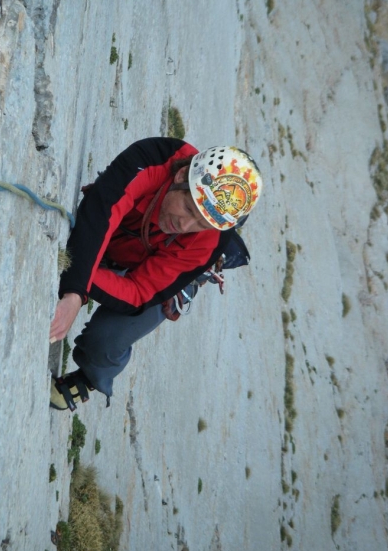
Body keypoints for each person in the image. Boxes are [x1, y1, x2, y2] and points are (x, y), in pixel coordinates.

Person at [49, 137, 262, 411]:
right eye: (188, 207)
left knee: (107, 340)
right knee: (86, 247)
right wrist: (76, 288)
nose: (184, 225)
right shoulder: (155, 157)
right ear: (182, 175)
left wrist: (79, 283)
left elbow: (139, 292)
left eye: (201, 223)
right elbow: (103, 211)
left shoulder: (208, 240)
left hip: (158, 271)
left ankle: (91, 377)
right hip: (121, 233)